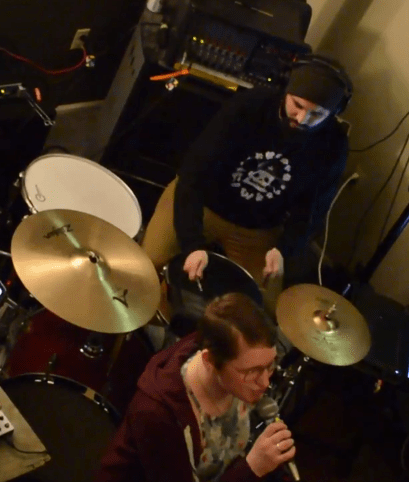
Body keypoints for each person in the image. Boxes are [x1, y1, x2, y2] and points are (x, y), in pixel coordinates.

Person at [75, 293, 296, 482]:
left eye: (270, 366)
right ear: (209, 361)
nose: (265, 383)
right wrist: (252, 469)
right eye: (252, 371)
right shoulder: (157, 416)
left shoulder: (217, 347)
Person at [141, 54, 352, 308]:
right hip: (204, 203)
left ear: (334, 112)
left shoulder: (334, 145)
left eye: (317, 114)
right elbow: (193, 174)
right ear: (286, 89)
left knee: (264, 305)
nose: (302, 118)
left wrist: (283, 250)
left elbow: (311, 212)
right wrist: (192, 243)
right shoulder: (249, 106)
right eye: (297, 104)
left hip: (256, 229)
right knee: (148, 264)